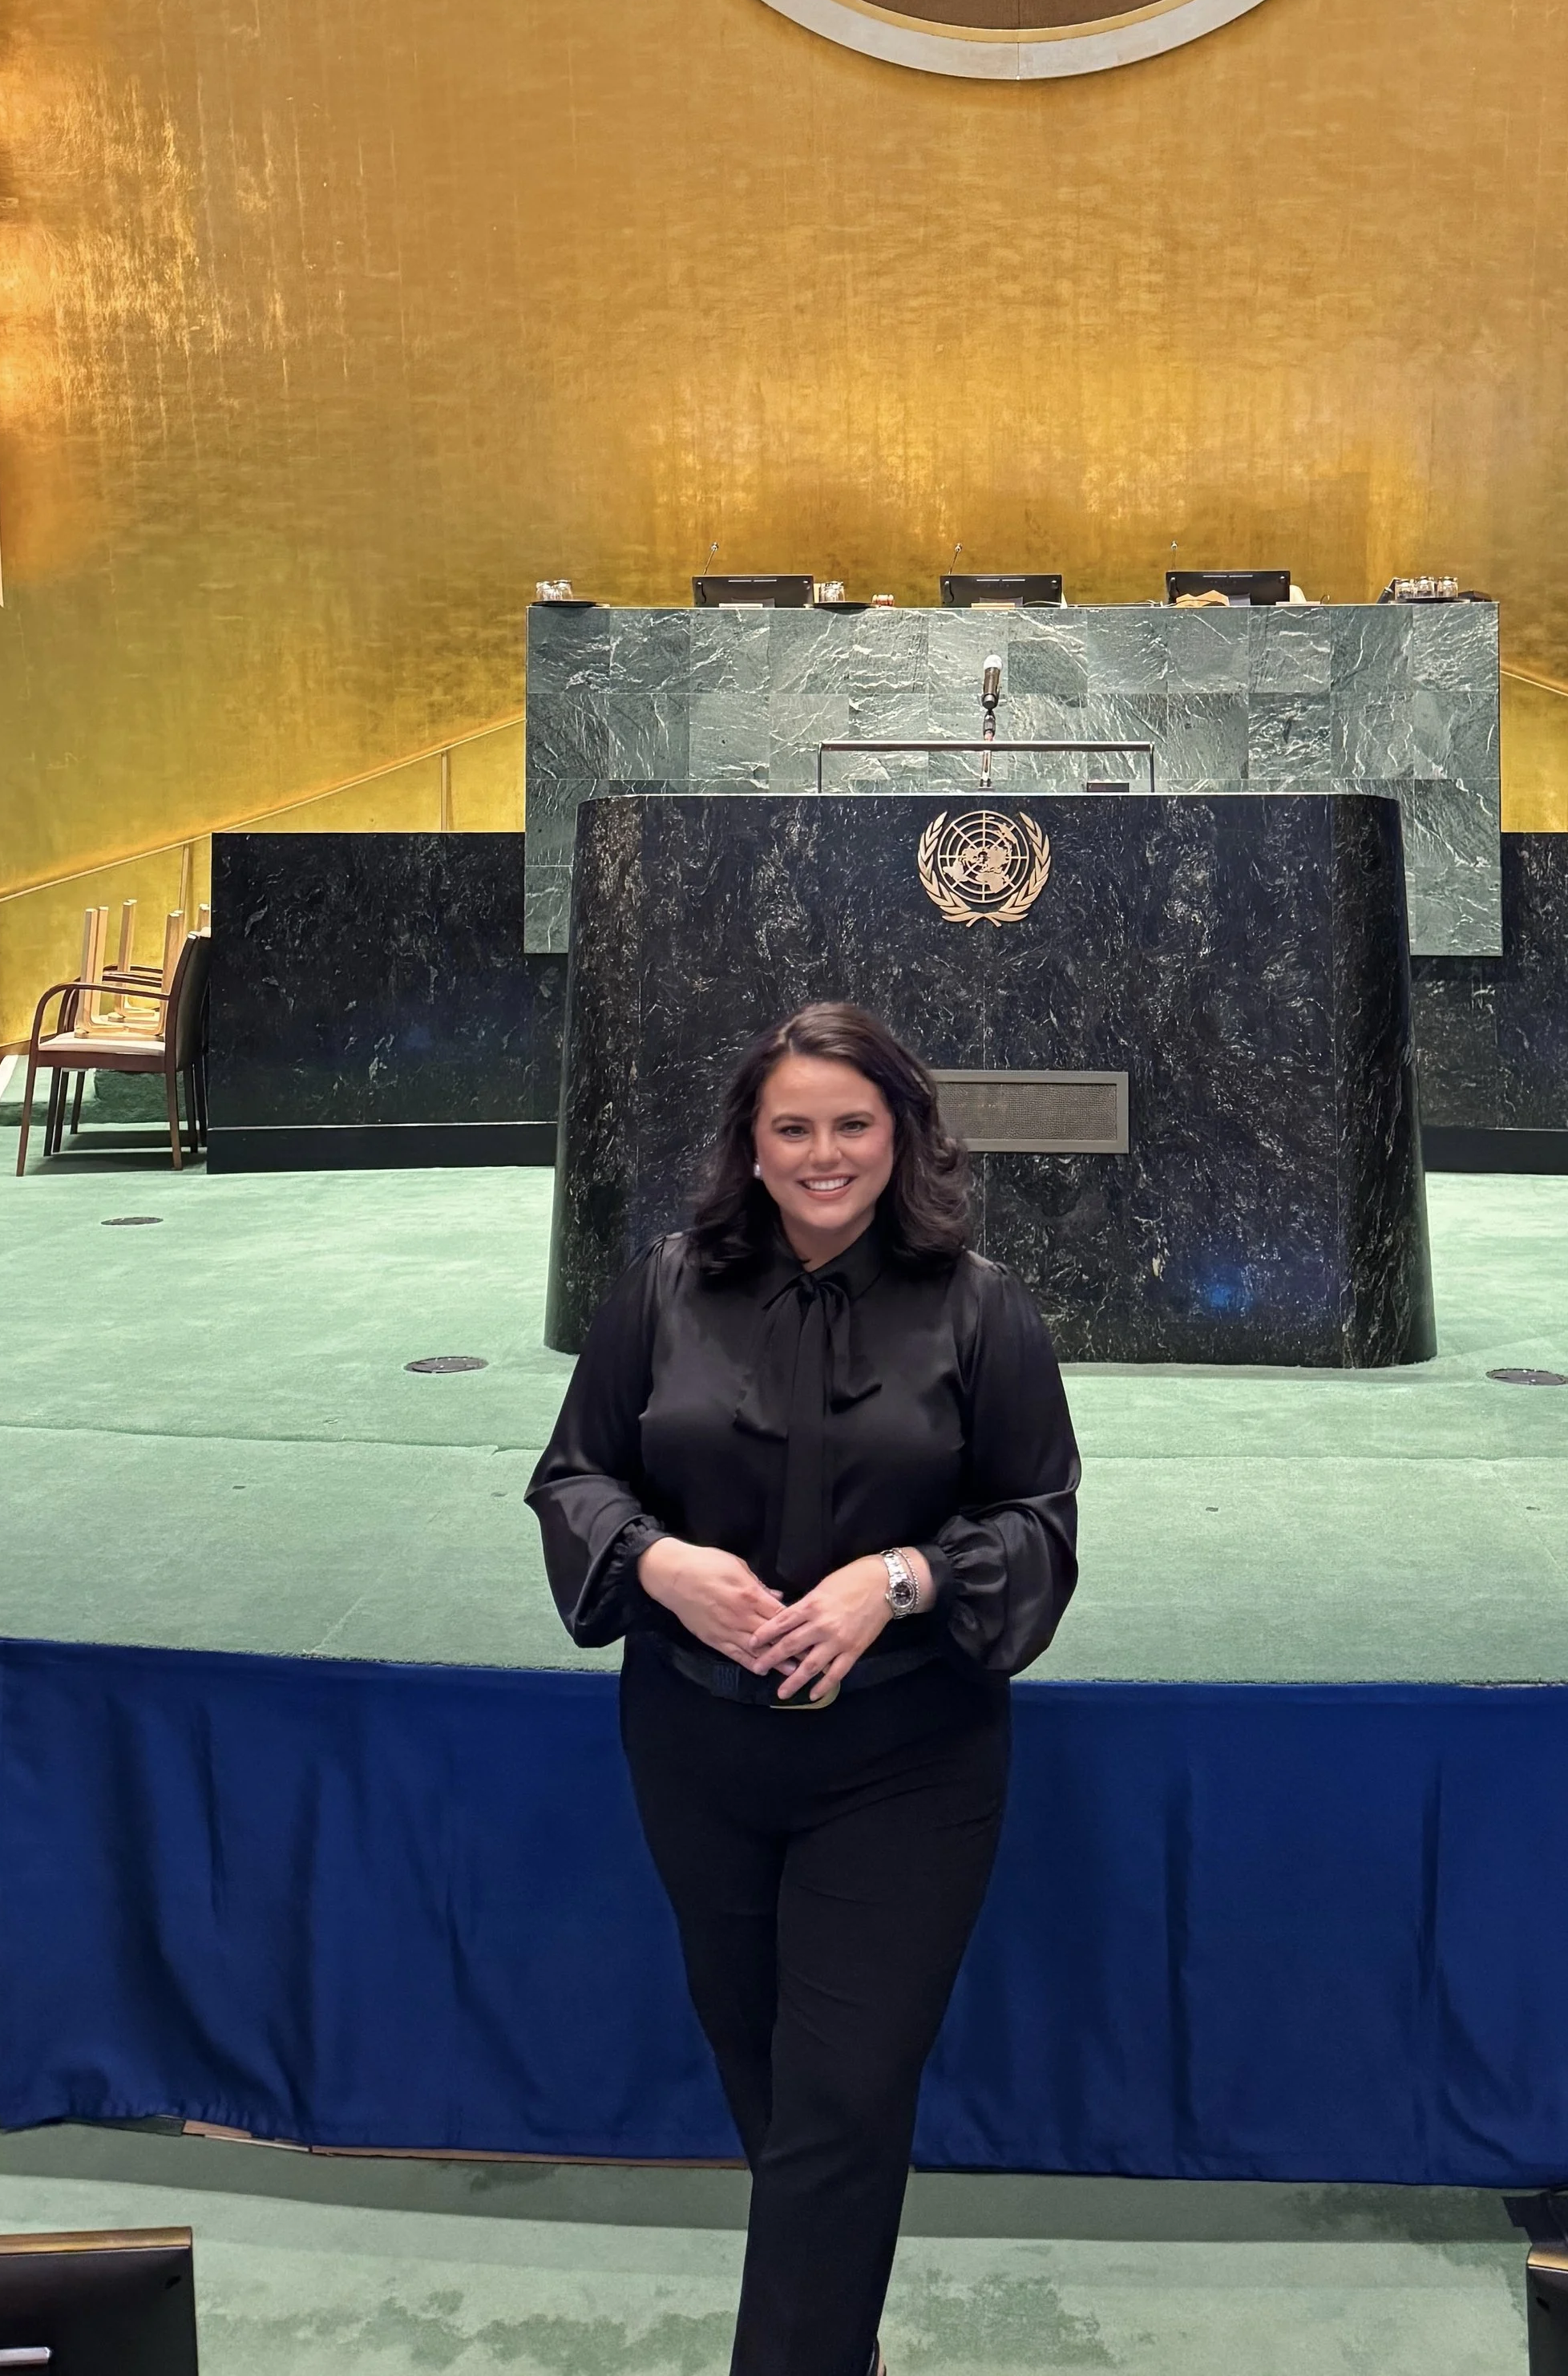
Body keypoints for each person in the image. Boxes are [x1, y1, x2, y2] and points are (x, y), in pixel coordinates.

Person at [527, 1000, 1081, 2376]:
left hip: (909, 1757)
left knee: (844, 2094)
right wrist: (658, 1566)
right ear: (752, 1146)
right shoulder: (663, 1285)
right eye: (795, 1128)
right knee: (767, 2077)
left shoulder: (981, 1307)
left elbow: (1040, 1521)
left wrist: (898, 1576)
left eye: (854, 1125)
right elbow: (575, 1474)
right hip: (695, 1747)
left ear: (900, 1137)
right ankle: (839, 2335)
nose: (825, 1154)